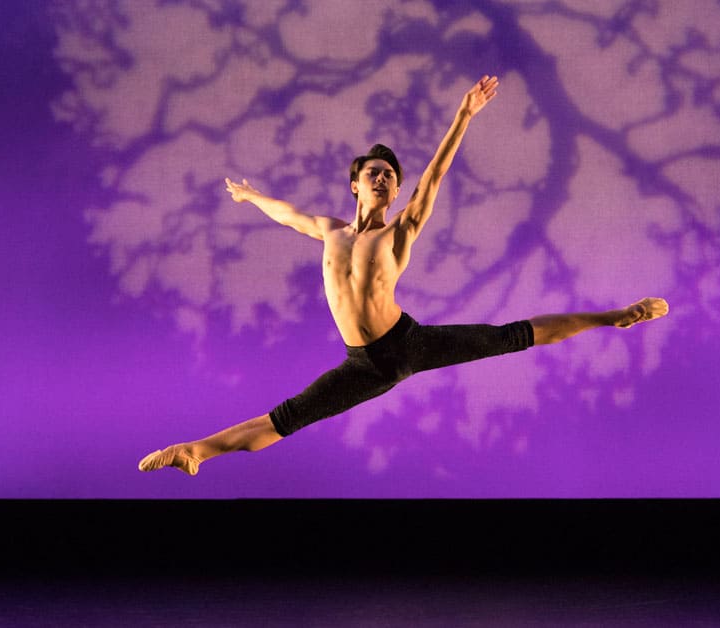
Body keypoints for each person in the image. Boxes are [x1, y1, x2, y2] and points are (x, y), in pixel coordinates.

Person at [138, 75, 668, 476]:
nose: (383, 177)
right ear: (356, 185)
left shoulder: (398, 233)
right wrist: (252, 196)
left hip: (406, 344)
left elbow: (433, 177)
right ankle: (196, 450)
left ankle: (614, 315)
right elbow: (286, 213)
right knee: (286, 418)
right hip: (362, 364)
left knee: (509, 337)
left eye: (391, 176)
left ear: (394, 194)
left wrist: (464, 115)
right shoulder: (329, 230)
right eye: (374, 171)